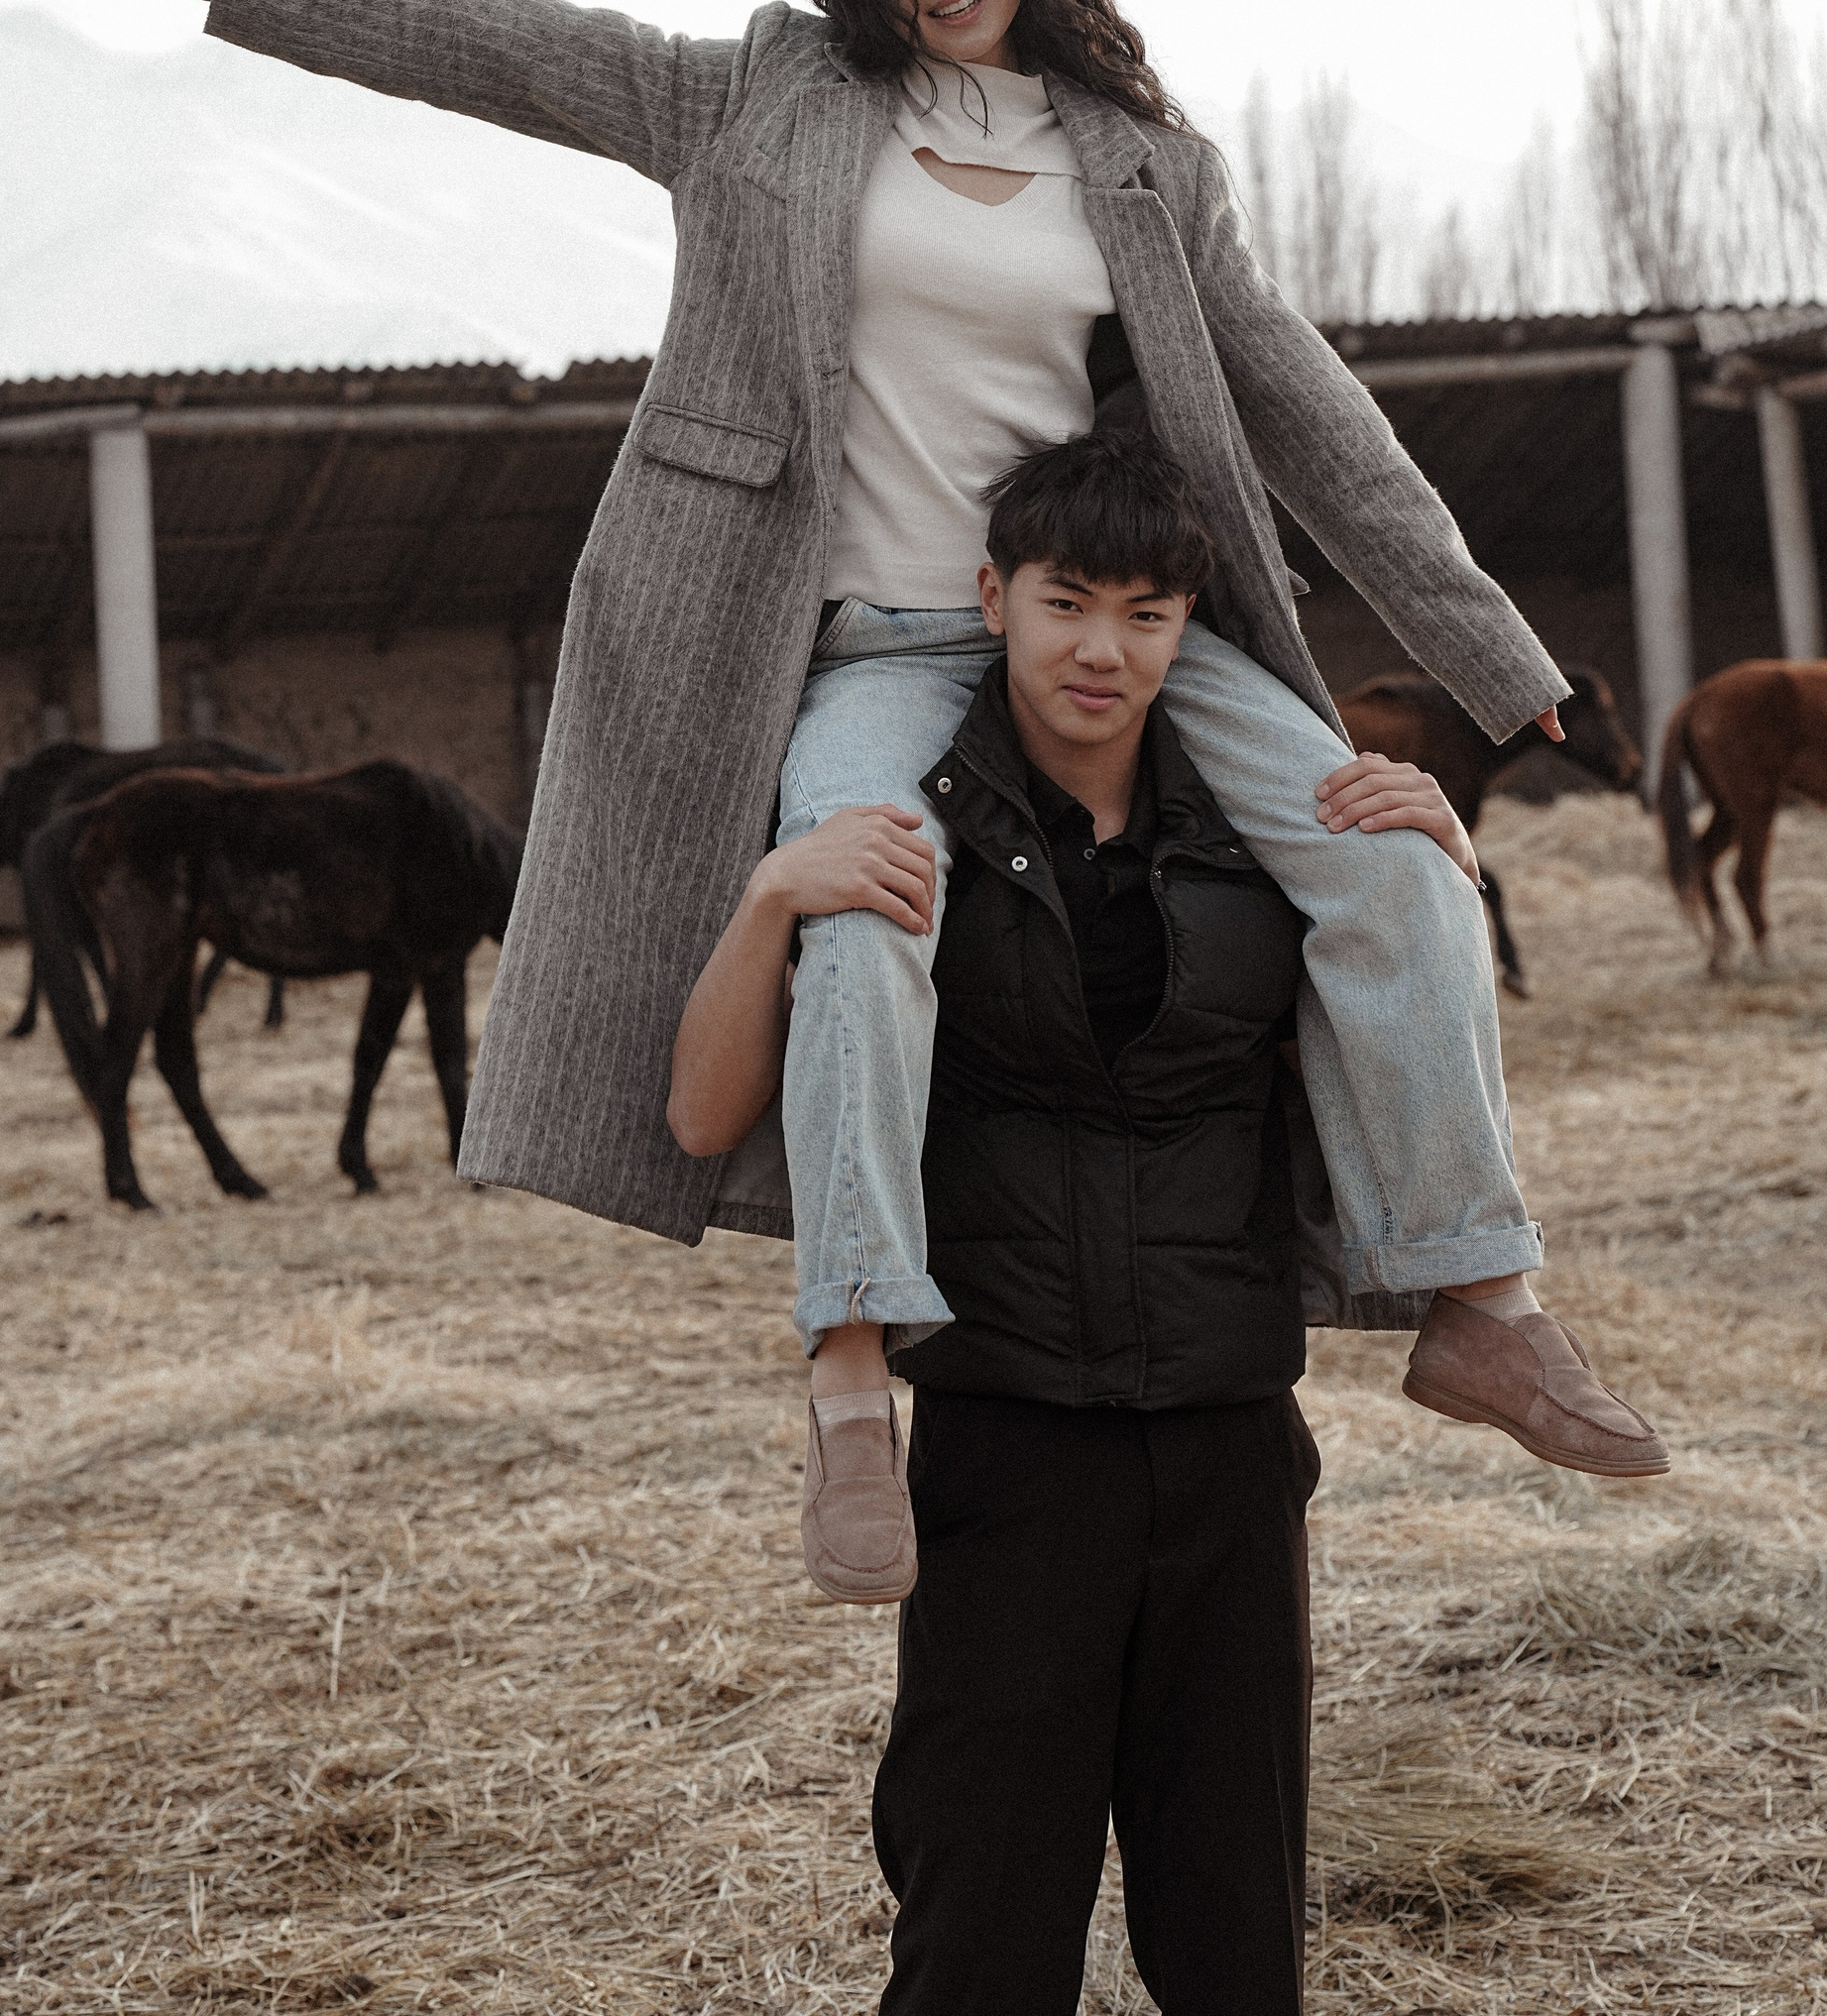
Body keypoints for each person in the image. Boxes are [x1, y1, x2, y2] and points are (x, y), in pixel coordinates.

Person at [92, 0, 1657, 1599]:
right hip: (877, 642)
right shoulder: (765, 97)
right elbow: (509, 43)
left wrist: (1488, 652)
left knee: (1396, 861)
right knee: (862, 909)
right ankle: (850, 1381)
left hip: (1097, 620)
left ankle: (1480, 1301)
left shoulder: (1142, 163)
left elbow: (1308, 407)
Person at [672, 425, 1660, 2011]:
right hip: (1007, 1456)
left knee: (1236, 1949)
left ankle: (1492, 1324)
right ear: (991, 600)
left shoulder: (1273, 842)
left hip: (1230, 1450)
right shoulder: (899, 831)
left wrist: (1442, 862)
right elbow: (704, 1118)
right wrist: (772, 895)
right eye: (1067, 603)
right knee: (979, 1947)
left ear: (1191, 628)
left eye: (1147, 614)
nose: (1103, 651)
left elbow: (1390, 1053)